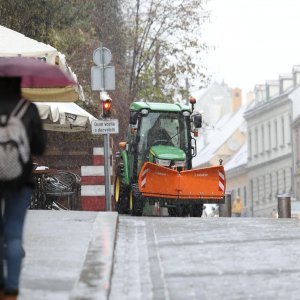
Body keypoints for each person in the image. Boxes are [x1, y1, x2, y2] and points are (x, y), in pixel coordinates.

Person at [0, 77, 46, 300]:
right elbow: (40, 146)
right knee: (14, 234)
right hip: (21, 181)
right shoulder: (28, 109)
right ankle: (12, 289)